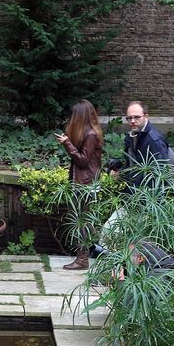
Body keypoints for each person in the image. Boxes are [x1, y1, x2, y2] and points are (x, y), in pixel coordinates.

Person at [55, 99, 103, 270]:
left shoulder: (90, 135)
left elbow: (83, 160)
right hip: (85, 183)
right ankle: (84, 256)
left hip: (86, 185)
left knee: (81, 222)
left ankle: (83, 259)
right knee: (82, 221)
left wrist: (67, 144)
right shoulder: (89, 133)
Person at [121, 101, 170, 189]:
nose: (132, 121)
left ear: (146, 117)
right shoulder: (133, 134)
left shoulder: (154, 140)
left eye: (137, 117)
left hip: (149, 193)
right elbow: (132, 164)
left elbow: (160, 173)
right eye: (129, 118)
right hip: (135, 188)